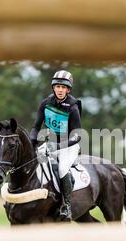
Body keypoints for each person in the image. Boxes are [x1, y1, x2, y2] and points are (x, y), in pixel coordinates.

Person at [29, 70, 82, 221]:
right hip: (51, 143)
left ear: (68, 90)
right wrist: (32, 140)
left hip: (69, 145)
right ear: (53, 88)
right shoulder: (45, 103)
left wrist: (59, 146)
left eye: (63, 87)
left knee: (62, 168)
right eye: (57, 86)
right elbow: (36, 126)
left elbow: (77, 135)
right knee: (35, 162)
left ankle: (67, 206)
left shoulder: (72, 107)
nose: (60, 90)